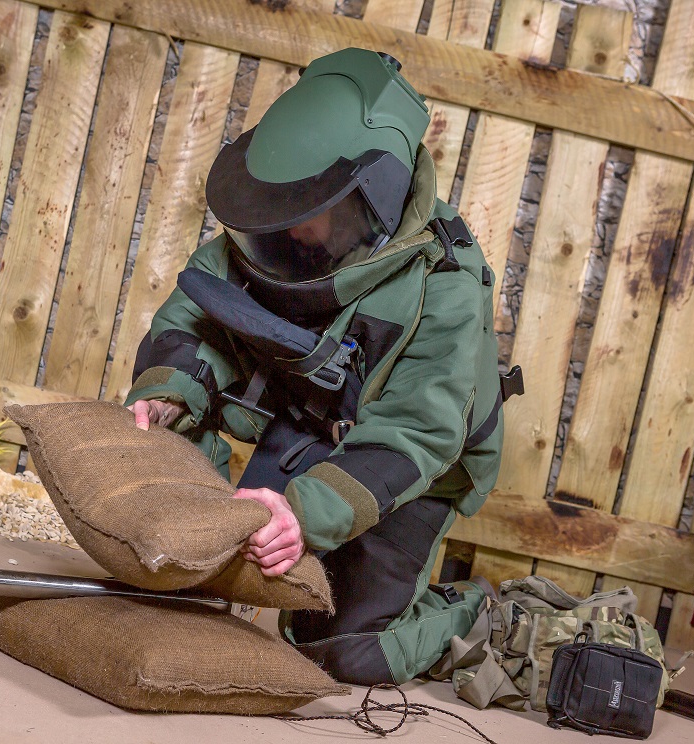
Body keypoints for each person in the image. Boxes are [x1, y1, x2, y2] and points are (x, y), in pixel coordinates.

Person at [125, 48, 517, 686]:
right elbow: (191, 317)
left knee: (341, 654)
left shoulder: (446, 283)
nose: (292, 226)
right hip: (305, 413)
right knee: (168, 421)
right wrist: (167, 394)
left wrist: (302, 515)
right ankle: (197, 564)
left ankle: (472, 612)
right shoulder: (276, 220)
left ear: (373, 194)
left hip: (404, 462)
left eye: (313, 208)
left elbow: (419, 431)